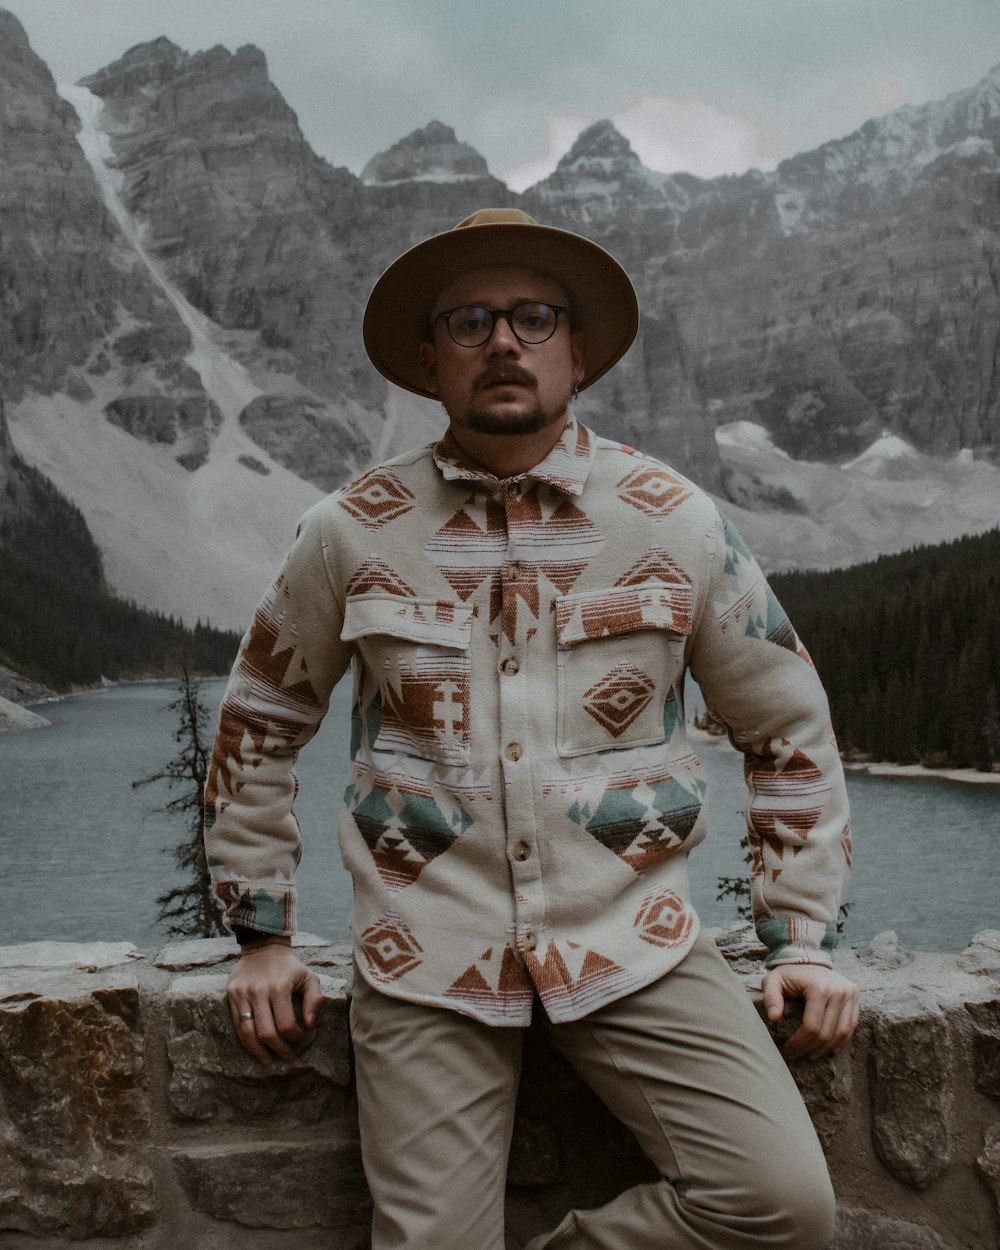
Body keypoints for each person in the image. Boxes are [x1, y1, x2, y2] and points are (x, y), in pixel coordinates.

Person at [204, 207, 859, 1250]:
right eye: (468, 320)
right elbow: (260, 720)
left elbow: (786, 726)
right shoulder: (345, 531)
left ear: (578, 349)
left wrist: (803, 940)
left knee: (781, 1205)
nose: (502, 341)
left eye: (532, 316)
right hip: (425, 956)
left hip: (634, 943)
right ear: (429, 360)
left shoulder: (675, 520)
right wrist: (260, 934)